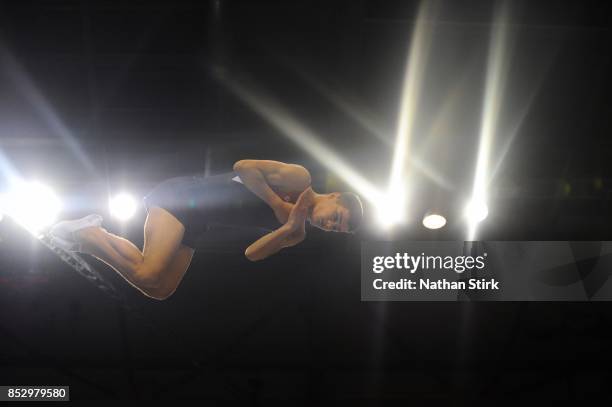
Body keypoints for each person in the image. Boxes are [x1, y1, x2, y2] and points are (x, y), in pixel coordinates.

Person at [48, 160, 363, 300]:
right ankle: (88, 234)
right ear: (334, 197)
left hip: (199, 224)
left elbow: (252, 254)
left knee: (159, 289)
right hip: (186, 199)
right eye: (337, 216)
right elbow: (243, 167)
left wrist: (290, 226)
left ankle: (89, 239)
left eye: (336, 228)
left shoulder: (297, 233)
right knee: (147, 274)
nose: (331, 225)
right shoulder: (299, 179)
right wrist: (277, 204)